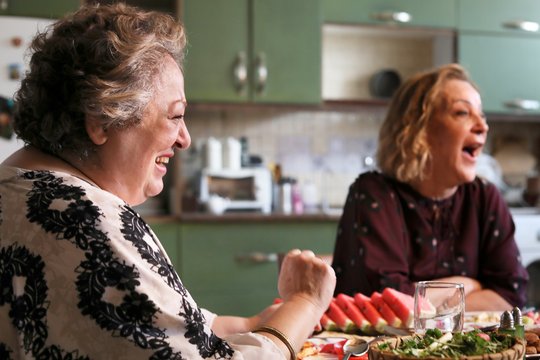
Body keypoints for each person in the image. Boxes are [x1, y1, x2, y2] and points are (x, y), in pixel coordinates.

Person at [0, 4, 336, 359]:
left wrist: (251, 324)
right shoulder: (85, 222)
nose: (184, 139)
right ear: (100, 120)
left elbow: (147, 326)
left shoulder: (16, 188)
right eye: (175, 115)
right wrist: (304, 303)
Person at [332, 64, 528, 311]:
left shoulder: (484, 197)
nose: (482, 126)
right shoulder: (374, 194)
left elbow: (511, 298)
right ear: (418, 130)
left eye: (482, 114)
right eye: (462, 113)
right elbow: (389, 305)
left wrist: (423, 298)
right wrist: (467, 286)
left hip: (474, 350)